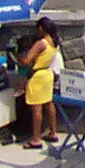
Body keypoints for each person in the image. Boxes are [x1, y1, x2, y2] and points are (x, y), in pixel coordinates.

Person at [19, 17, 62, 147]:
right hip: (47, 74)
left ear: (41, 28)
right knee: (49, 104)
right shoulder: (54, 42)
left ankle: (36, 139)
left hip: (37, 75)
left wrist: (19, 58)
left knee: (36, 108)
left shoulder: (41, 44)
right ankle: (53, 132)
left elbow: (27, 61)